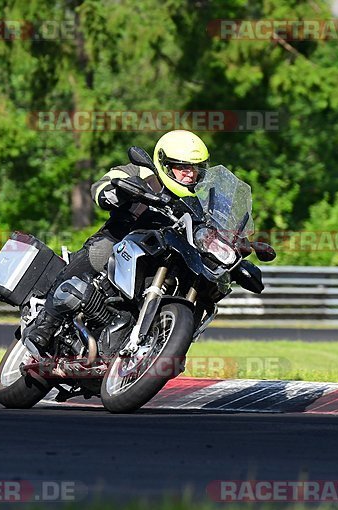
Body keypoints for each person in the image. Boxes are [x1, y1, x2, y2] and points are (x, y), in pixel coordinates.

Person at [21, 130, 210, 355]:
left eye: (195, 168)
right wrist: (117, 192)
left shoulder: (198, 200)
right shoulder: (142, 172)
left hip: (162, 255)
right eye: (183, 167)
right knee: (101, 251)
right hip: (121, 238)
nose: (190, 174)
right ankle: (45, 324)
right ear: (165, 164)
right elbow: (100, 187)